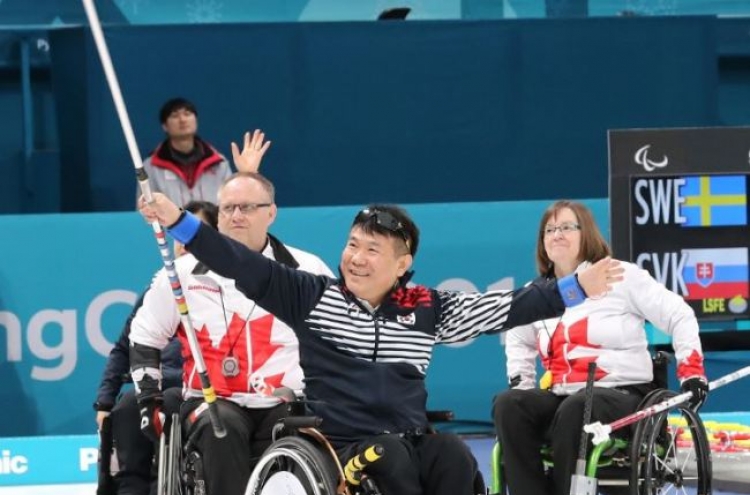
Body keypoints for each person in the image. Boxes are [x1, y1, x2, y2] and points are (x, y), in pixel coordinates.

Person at [137, 195, 624, 495]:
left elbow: (509, 306)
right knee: (388, 456)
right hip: (340, 442)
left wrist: (575, 287)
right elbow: (238, 262)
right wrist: (179, 220)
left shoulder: (427, 307)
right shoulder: (312, 296)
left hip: (411, 436)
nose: (356, 258)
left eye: (373, 250)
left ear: (402, 263)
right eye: (352, 244)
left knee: (453, 455)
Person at [129, 172, 334, 495]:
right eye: (228, 208)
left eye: (248, 207)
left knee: (302, 431)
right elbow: (145, 334)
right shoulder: (181, 272)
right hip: (212, 401)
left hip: (287, 401)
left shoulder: (307, 269)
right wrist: (148, 403)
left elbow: (337, 337)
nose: (236, 216)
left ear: (272, 213)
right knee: (220, 428)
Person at [491, 200, 708, 495]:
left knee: (578, 407)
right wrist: (523, 384)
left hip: (624, 394)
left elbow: (679, 315)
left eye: (567, 227)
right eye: (549, 229)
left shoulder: (621, 276)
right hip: (563, 396)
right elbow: (518, 338)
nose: (557, 234)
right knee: (509, 405)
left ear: (587, 233)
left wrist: (692, 372)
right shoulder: (537, 294)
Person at [94, 200, 219, 495]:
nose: (182, 245)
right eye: (178, 237)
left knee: (171, 404)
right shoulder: (160, 287)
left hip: (193, 388)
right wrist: (104, 401)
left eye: (191, 235)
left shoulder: (221, 286)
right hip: (151, 384)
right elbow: (126, 346)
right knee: (126, 407)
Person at [139, 97, 271, 205]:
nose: (182, 120)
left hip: (213, 232)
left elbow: (234, 201)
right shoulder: (151, 167)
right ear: (164, 126)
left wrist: (247, 173)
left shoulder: (219, 162)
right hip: (172, 233)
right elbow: (144, 208)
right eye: (175, 115)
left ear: (196, 120)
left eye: (187, 114)